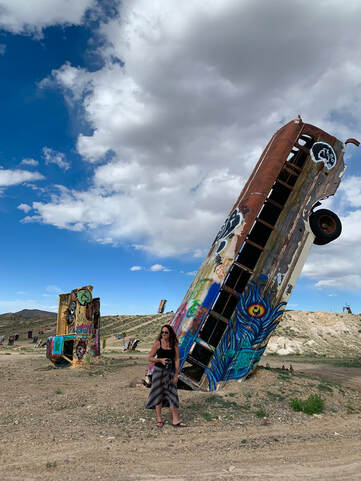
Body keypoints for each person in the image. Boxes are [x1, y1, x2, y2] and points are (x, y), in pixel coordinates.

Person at [145, 324, 186, 428]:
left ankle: (175, 420)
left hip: (171, 372)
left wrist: (176, 374)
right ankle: (159, 420)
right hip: (159, 371)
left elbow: (177, 359)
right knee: (158, 394)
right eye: (162, 332)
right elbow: (150, 358)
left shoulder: (174, 344)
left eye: (166, 332)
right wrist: (160, 360)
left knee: (173, 394)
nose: (163, 334)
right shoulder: (158, 343)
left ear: (170, 333)